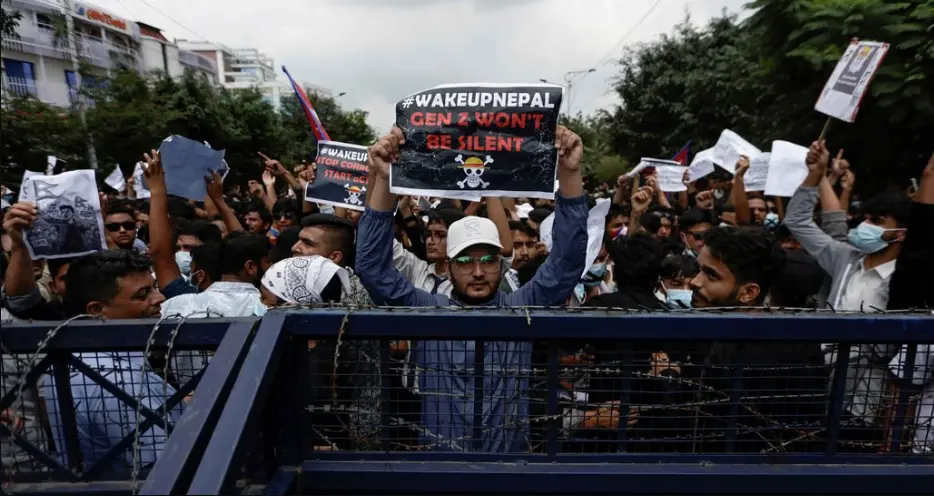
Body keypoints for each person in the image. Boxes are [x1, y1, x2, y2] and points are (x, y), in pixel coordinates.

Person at [355, 125, 587, 452]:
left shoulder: (522, 307)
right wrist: (382, 180)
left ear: (501, 263)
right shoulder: (427, 311)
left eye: (489, 260)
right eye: (465, 261)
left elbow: (566, 264)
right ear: (447, 266)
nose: (478, 272)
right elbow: (372, 269)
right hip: (440, 473)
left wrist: (570, 174)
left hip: (509, 471)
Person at [784, 140, 911, 429]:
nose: (865, 226)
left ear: (901, 233)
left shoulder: (904, 281)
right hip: (817, 381)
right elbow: (797, 221)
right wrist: (816, 174)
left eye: (876, 221)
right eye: (864, 219)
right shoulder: (843, 257)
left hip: (865, 400)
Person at [37, 250, 180, 471]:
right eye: (142, 294)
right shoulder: (117, 380)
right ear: (96, 309)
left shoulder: (79, 358)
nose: (159, 298)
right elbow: (166, 468)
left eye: (154, 288)